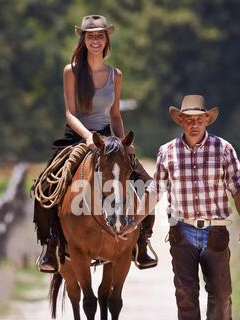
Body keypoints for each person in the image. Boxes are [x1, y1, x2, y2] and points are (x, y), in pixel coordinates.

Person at [124, 95, 240, 320]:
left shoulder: (223, 149)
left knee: (221, 293)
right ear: (181, 121)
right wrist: (135, 220)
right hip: (181, 231)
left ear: (207, 120)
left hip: (216, 230)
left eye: (199, 119)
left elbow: (238, 188)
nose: (194, 124)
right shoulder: (167, 152)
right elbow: (155, 192)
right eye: (189, 120)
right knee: (185, 292)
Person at [33, 14, 157, 273]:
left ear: (106, 39)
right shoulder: (72, 71)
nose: (95, 40)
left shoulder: (116, 75)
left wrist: (124, 144)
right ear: (83, 39)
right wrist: (88, 137)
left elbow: (114, 115)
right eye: (91, 36)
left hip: (107, 140)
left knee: (145, 183)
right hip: (76, 136)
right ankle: (50, 244)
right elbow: (69, 113)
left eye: (100, 35)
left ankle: (142, 242)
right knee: (45, 184)